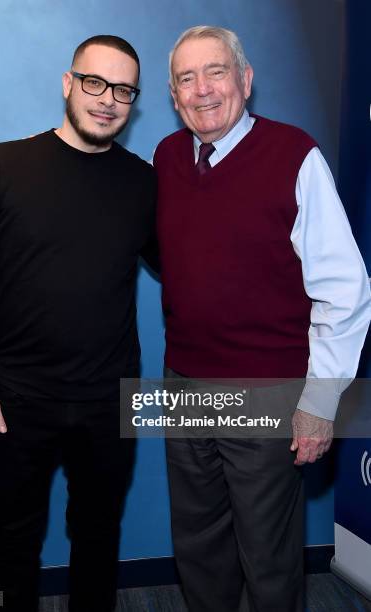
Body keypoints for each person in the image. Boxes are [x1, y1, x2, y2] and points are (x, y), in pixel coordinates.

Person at [153, 25, 371, 612]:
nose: (202, 90)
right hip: (184, 384)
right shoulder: (168, 156)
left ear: (245, 81)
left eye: (215, 72)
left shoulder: (293, 155)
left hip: (267, 392)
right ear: (173, 96)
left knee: (268, 560)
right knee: (198, 548)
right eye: (185, 78)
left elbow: (345, 291)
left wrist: (318, 403)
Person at [0, 35, 157, 612]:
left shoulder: (143, 183)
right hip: (18, 399)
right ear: (69, 84)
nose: (107, 99)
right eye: (95, 83)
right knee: (12, 544)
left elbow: (187, 269)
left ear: (133, 101)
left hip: (110, 399)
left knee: (99, 541)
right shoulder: (3, 164)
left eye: (122, 89)